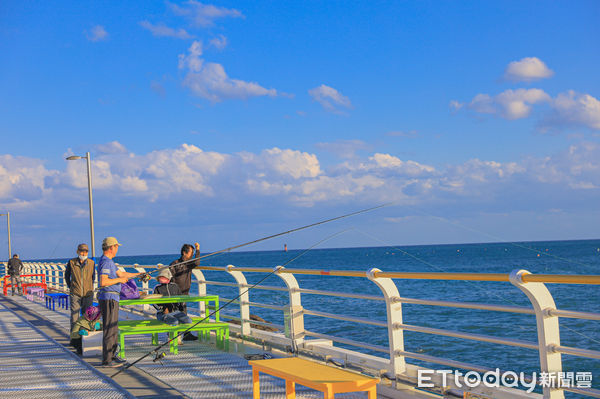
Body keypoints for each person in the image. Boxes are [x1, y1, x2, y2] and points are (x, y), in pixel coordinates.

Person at [97, 236, 140, 367]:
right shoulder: (106, 262)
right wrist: (119, 281)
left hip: (113, 298)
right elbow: (103, 282)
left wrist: (139, 275)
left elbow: (122, 274)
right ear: (111, 247)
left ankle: (113, 355)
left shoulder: (110, 262)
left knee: (113, 328)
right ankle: (107, 360)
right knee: (109, 328)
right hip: (108, 298)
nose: (117, 249)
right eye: (116, 247)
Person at [65, 243, 95, 347]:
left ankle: (87, 339)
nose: (84, 253)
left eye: (86, 251)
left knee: (88, 317)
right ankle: (74, 340)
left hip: (88, 294)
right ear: (77, 251)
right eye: (82, 251)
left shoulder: (91, 263)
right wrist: (71, 287)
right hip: (75, 293)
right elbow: (66, 276)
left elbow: (93, 277)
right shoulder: (71, 262)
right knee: (74, 317)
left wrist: (90, 288)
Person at [169, 242, 200, 340]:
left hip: (185, 292)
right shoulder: (174, 264)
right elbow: (169, 278)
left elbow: (197, 262)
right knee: (175, 313)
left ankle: (186, 334)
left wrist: (198, 250)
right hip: (174, 293)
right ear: (184, 253)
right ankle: (174, 334)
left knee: (184, 313)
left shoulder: (189, 263)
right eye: (191, 253)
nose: (192, 255)